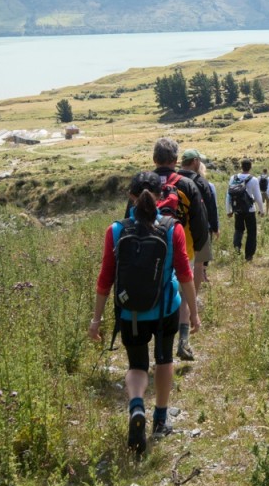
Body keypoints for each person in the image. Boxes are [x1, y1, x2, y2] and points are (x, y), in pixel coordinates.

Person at [89, 172, 199, 455]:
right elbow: (185, 275)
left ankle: (137, 405)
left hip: (131, 315)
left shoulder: (115, 230)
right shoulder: (172, 229)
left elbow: (105, 279)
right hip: (165, 310)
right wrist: (195, 313)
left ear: (131, 197)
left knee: (137, 366)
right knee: (164, 360)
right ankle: (160, 421)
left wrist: (96, 320)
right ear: (163, 196)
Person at [152, 138, 208, 362]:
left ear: (154, 159)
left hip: (150, 246)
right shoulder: (186, 185)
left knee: (155, 293)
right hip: (182, 244)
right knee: (183, 294)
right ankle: (183, 340)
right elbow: (200, 222)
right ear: (175, 160)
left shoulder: (145, 182)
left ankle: (158, 341)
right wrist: (202, 252)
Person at [179, 149, 218, 301]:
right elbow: (210, 207)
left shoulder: (175, 179)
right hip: (199, 229)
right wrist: (215, 227)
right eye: (199, 160)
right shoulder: (201, 182)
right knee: (198, 265)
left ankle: (179, 297)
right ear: (195, 161)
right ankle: (192, 298)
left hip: (178, 228)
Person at [226, 158, 265, 261]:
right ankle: (249, 255)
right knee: (251, 232)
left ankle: (236, 251)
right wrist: (261, 210)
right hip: (250, 210)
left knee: (238, 230)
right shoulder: (254, 180)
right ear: (250, 167)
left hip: (237, 210)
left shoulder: (233, 178)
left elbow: (228, 196)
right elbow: (258, 197)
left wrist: (228, 210)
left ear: (241, 166)